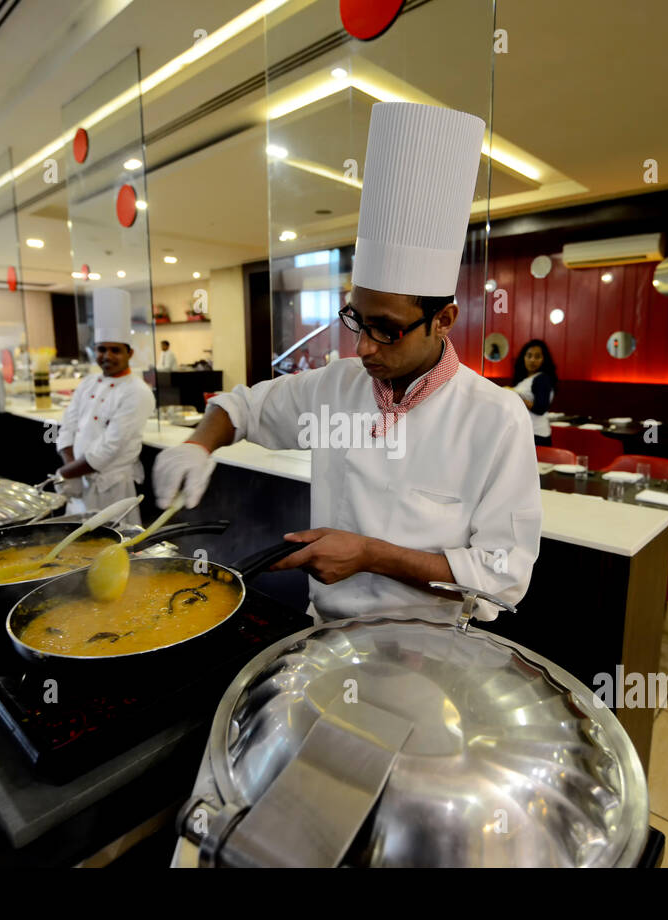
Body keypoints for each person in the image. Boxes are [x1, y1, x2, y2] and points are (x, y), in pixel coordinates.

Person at [153, 101, 542, 624]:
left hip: (434, 652)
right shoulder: (335, 388)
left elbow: (504, 579)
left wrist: (372, 555)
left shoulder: (495, 417)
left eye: (387, 329)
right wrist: (198, 445)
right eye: (357, 320)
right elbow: (242, 407)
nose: (363, 348)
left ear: (444, 319)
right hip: (327, 636)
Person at [55, 288, 156, 514]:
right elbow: (68, 427)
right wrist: (70, 470)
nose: (107, 356)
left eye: (115, 350)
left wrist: (67, 473)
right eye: (102, 349)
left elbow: (110, 447)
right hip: (78, 482)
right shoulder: (87, 383)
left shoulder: (138, 392)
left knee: (114, 543)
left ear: (129, 353)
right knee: (74, 544)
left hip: (111, 489)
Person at [511, 339, 557, 446]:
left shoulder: (542, 379)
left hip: (536, 433)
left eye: (537, 357)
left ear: (543, 359)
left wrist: (514, 397)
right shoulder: (525, 379)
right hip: (527, 431)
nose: (532, 360)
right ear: (523, 357)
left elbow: (540, 408)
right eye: (529, 355)